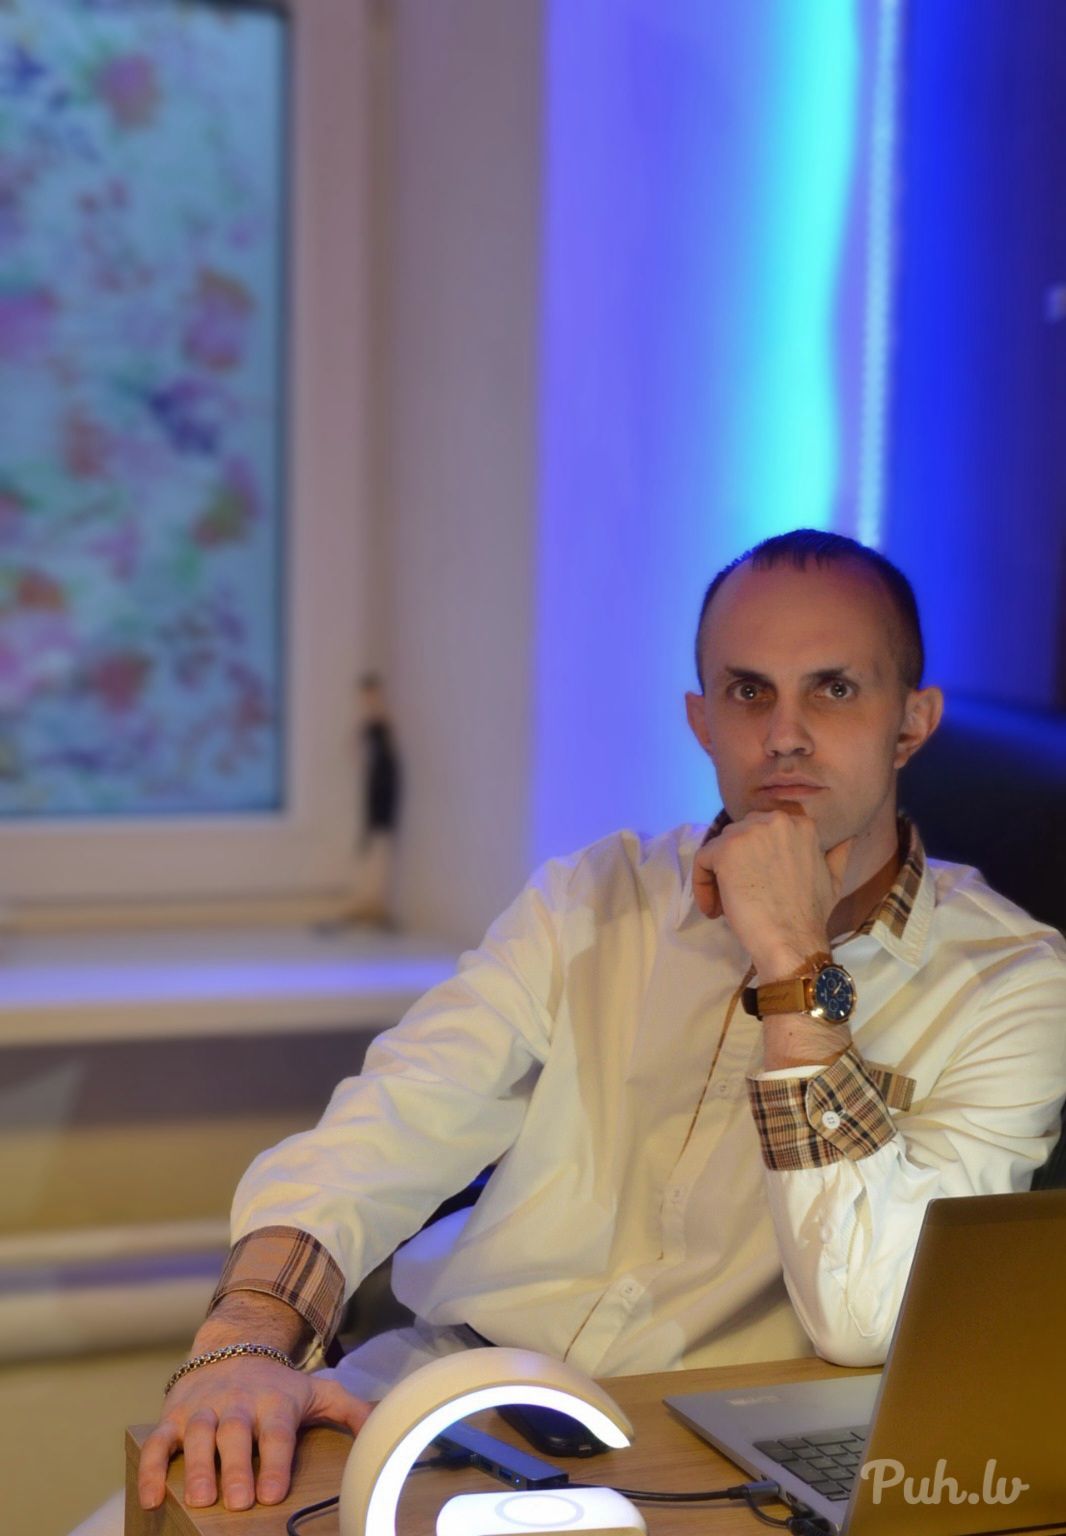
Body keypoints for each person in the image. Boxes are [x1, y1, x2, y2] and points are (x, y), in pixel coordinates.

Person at [134, 529, 1066, 1518]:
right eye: (749, 692)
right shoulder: (592, 896)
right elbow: (393, 1119)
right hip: (456, 1390)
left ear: (912, 723)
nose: (784, 735)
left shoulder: (1012, 986)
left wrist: (796, 969)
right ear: (702, 720)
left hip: (714, 1450)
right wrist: (244, 1337)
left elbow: (868, 1313)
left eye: (834, 689)